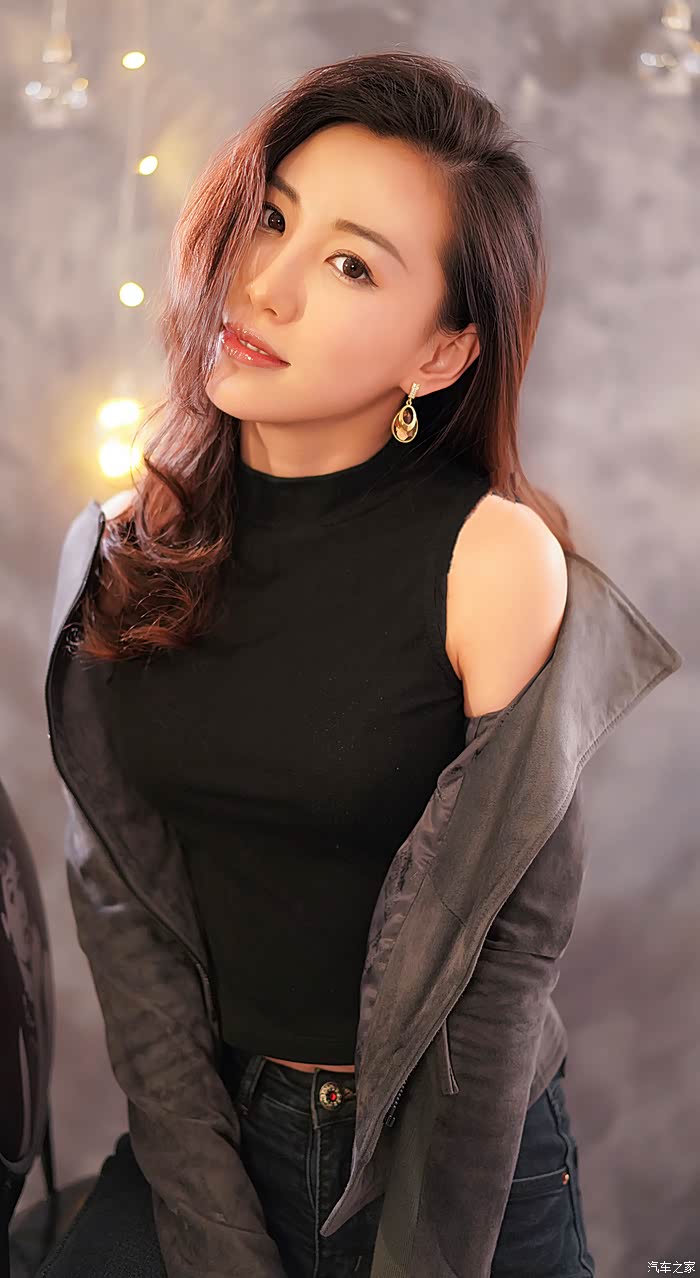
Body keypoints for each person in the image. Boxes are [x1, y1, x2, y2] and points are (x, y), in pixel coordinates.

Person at [40, 50, 681, 1278]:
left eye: (350, 265)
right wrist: (218, 1235)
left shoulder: (493, 560)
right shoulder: (118, 549)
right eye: (271, 218)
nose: (264, 285)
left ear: (437, 357)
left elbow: (501, 971)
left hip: (454, 1161)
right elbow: (123, 924)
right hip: (206, 1132)